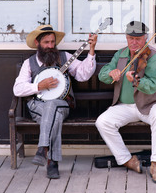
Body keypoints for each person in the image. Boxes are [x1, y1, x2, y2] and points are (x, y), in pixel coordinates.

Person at [13, 24, 97, 179]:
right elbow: (17, 89)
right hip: (38, 106)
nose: (50, 46)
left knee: (53, 105)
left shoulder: (64, 57)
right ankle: (52, 163)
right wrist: (39, 86)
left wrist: (91, 50)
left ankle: (42, 148)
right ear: (37, 43)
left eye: (52, 42)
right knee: (53, 115)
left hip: (63, 104)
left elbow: (83, 75)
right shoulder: (29, 63)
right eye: (46, 42)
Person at [96, 20, 156, 184]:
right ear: (126, 38)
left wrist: (136, 81)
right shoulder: (120, 54)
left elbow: (152, 86)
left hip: (150, 104)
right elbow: (103, 73)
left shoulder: (154, 57)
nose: (134, 42)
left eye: (138, 39)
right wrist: (111, 73)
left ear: (145, 38)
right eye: (130, 38)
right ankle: (127, 160)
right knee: (103, 122)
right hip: (126, 106)